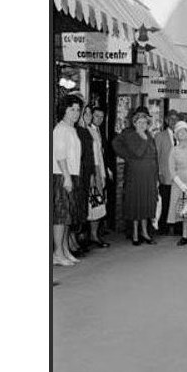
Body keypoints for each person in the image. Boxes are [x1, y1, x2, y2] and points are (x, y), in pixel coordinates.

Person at [112, 110, 159, 246]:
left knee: (145, 204)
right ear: (135, 123)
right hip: (136, 175)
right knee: (135, 204)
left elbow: (154, 157)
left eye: (145, 122)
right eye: (139, 122)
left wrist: (156, 177)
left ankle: (145, 232)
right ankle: (135, 234)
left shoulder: (150, 136)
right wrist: (127, 155)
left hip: (149, 176)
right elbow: (138, 153)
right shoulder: (132, 135)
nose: (142, 124)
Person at [53, 95, 83, 266]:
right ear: (64, 110)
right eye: (72, 109)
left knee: (68, 216)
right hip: (62, 175)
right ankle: (57, 253)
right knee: (60, 216)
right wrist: (66, 177)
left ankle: (65, 250)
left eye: (78, 109)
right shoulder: (60, 129)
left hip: (72, 174)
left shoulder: (71, 129)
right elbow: (60, 155)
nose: (76, 113)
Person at [73, 104, 96, 254]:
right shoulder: (77, 131)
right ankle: (73, 241)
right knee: (77, 207)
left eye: (89, 113)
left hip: (87, 172)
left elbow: (92, 155)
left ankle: (77, 240)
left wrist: (93, 174)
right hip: (79, 173)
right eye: (85, 113)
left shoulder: (87, 131)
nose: (88, 115)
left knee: (82, 207)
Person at [155, 109, 180, 235]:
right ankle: (163, 228)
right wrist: (158, 173)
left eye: (176, 119)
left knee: (179, 203)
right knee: (166, 202)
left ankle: (178, 228)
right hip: (166, 175)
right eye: (171, 119)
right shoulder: (160, 136)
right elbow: (156, 156)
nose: (173, 121)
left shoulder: (182, 135)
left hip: (180, 177)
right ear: (166, 120)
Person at [88, 106, 110, 248]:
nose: (99, 119)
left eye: (101, 117)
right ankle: (93, 235)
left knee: (99, 202)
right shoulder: (88, 130)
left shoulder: (98, 130)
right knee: (95, 202)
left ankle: (95, 234)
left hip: (100, 170)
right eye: (96, 116)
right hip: (93, 171)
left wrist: (105, 171)